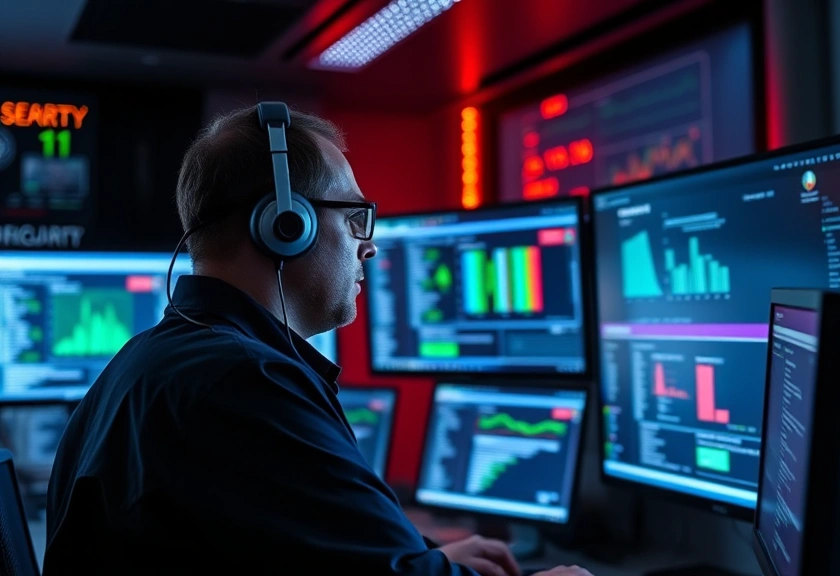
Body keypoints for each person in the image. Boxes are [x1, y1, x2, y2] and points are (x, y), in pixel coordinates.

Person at [43, 105, 592, 576]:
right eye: (355, 218)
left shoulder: (151, 358)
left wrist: (429, 559)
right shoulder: (242, 382)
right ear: (286, 224)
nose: (368, 247)